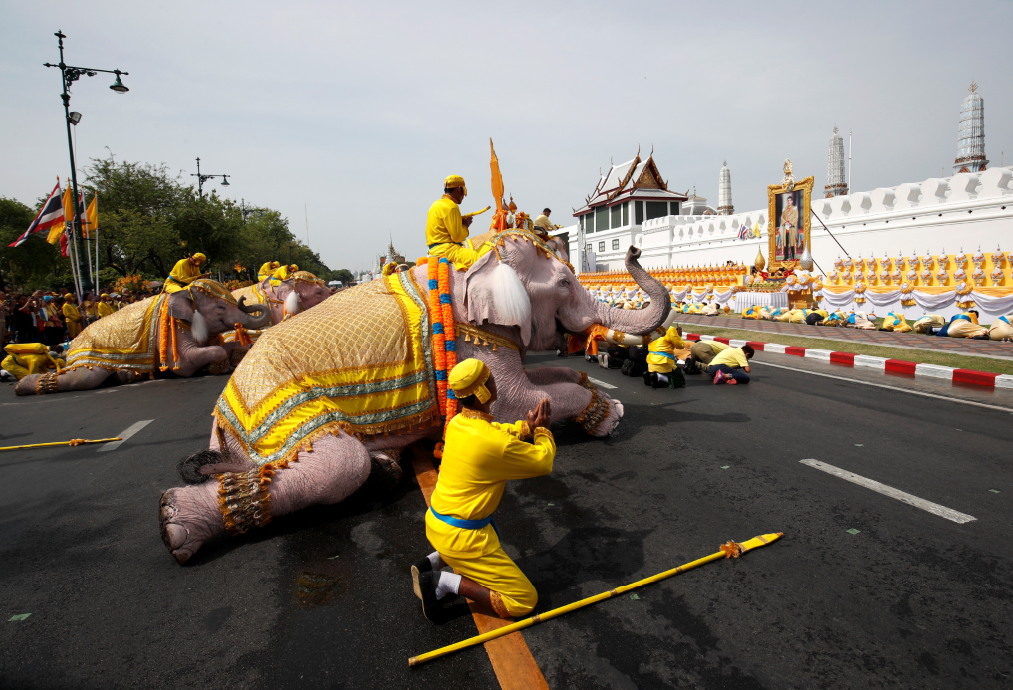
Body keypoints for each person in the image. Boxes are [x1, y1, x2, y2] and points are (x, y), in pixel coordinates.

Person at [412, 358, 554, 622]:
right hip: (461, 538)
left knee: (486, 533)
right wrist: (543, 430)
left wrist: (526, 428)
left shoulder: (457, 423)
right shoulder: (492, 443)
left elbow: (495, 430)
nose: (495, 381)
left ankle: (434, 560)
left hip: (437, 522)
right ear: (483, 392)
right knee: (523, 600)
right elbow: (543, 461)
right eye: (490, 379)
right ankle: (443, 581)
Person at [426, 175, 482, 270]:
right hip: (447, 250)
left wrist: (459, 222)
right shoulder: (452, 206)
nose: (463, 196)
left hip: (433, 250)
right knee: (482, 260)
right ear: (459, 189)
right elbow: (457, 237)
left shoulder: (435, 204)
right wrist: (465, 226)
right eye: (463, 192)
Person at [780, 194, 798, 261]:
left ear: (792, 201)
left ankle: (792, 256)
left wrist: (791, 223)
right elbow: (782, 217)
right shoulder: (785, 209)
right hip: (786, 228)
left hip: (791, 228)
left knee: (792, 242)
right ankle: (786, 256)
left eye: (790, 200)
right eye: (788, 200)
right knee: (786, 243)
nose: (789, 202)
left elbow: (796, 217)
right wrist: (785, 223)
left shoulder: (794, 209)